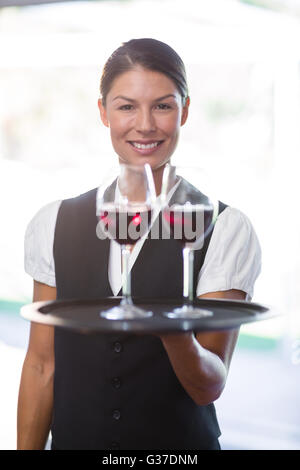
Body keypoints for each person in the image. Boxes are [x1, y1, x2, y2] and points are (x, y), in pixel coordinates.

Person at [17, 38, 261, 450]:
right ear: (103, 112)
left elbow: (209, 386)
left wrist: (172, 332)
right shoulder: (53, 222)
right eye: (126, 106)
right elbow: (42, 364)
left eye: (163, 106)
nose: (144, 124)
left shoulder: (225, 228)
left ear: (184, 110)